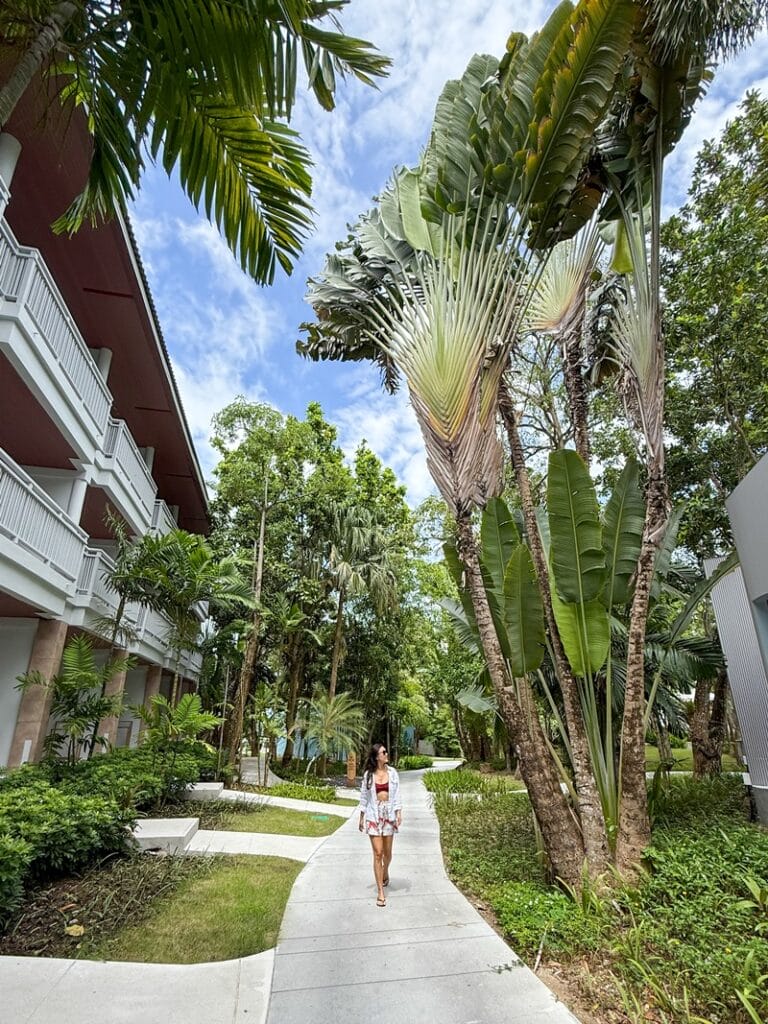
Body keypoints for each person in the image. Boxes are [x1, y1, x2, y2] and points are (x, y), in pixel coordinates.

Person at [358, 742, 402, 907]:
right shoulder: (368, 775)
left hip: (388, 814)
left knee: (387, 854)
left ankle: (385, 871)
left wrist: (398, 812)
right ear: (377, 756)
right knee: (378, 853)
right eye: (384, 752)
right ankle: (380, 892)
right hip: (373, 815)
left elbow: (396, 794)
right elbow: (364, 797)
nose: (386, 754)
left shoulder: (393, 773)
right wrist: (361, 816)